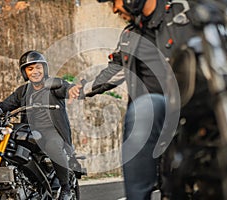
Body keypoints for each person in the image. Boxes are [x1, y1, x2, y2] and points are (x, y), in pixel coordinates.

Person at [72, 0, 181, 199]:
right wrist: (84, 88)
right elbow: (116, 70)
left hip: (193, 110)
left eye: (115, 1)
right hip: (154, 121)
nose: (114, 9)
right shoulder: (130, 36)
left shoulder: (184, 14)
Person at [0, 50, 81, 200]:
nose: (35, 72)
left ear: (44, 69)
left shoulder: (53, 84)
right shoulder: (23, 91)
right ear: (25, 72)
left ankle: (65, 187)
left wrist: (71, 89)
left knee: (52, 146)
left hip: (53, 131)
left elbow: (65, 87)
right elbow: (4, 105)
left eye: (38, 67)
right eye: (30, 69)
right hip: (30, 131)